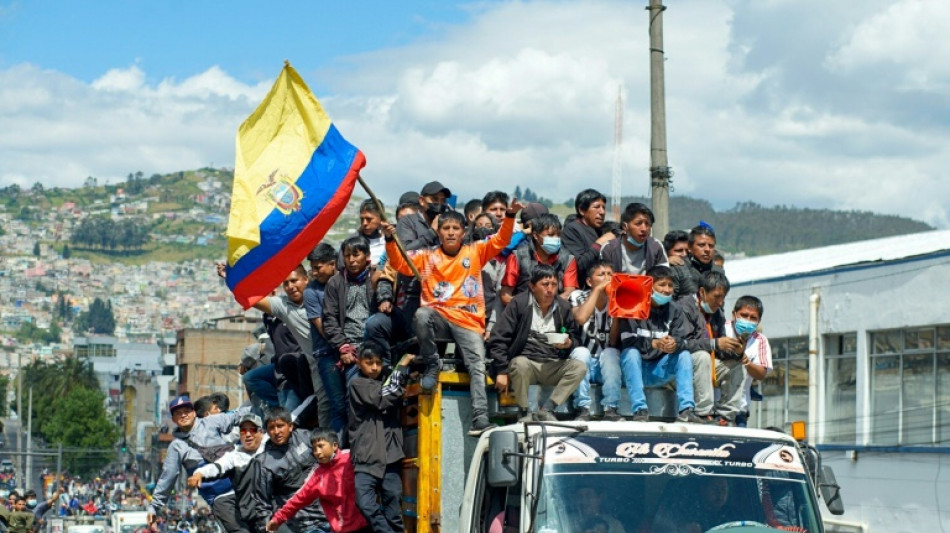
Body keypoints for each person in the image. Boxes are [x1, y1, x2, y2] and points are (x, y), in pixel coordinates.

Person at [382, 198, 525, 436]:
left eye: (455, 228)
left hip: (468, 321)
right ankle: (431, 364)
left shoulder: (476, 251)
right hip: (437, 318)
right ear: (438, 232)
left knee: (477, 366)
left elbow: (501, 240)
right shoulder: (426, 256)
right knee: (420, 315)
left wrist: (509, 215)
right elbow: (399, 263)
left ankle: (479, 418)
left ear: (464, 231)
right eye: (445, 228)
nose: (450, 233)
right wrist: (389, 239)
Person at [488, 264, 587, 422]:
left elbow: (576, 338)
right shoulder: (519, 304)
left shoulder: (563, 307)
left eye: (554, 285)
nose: (550, 289)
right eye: (545, 284)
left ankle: (548, 409)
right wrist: (501, 370)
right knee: (519, 363)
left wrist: (568, 343)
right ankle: (524, 410)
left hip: (552, 364)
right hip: (527, 366)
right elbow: (498, 337)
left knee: (579, 367)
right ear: (532, 287)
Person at [609, 266, 704, 423]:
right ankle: (640, 409)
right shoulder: (632, 305)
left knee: (684, 355)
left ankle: (686, 410)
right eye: (662, 285)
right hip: (632, 371)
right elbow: (625, 341)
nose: (667, 290)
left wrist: (674, 343)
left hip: (658, 370)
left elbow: (682, 338)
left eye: (670, 285)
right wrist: (653, 343)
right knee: (631, 353)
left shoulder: (675, 309)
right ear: (649, 286)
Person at [148, 396, 249, 533]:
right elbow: (168, 477)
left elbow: (239, 416)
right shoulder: (176, 447)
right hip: (219, 498)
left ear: (194, 412)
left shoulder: (212, 422)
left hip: (244, 487)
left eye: (186, 411)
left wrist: (264, 402)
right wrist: (154, 506)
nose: (183, 415)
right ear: (173, 419)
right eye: (178, 413)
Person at [348, 344, 413, 533]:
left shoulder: (387, 381)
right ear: (359, 363)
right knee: (365, 503)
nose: (375, 367)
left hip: (391, 457)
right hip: (366, 457)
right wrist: (403, 365)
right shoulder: (357, 384)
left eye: (378, 362)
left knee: (394, 509)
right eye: (369, 363)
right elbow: (382, 398)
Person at [265, 429, 368, 533]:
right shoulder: (316, 475)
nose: (317, 452)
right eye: (314, 449)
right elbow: (297, 499)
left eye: (321, 446)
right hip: (344, 529)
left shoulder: (351, 458)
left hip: (369, 520)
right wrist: (278, 519)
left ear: (335, 446)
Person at [679, 271, 745, 425]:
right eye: (717, 296)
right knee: (702, 356)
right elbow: (682, 343)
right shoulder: (684, 308)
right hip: (684, 366)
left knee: (737, 366)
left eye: (723, 298)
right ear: (702, 292)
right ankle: (703, 413)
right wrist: (714, 344)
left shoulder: (718, 313)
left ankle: (726, 415)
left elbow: (720, 349)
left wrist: (736, 351)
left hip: (709, 365)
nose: (720, 302)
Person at [250, 408, 329, 533]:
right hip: (306, 524)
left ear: (290, 426)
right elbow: (261, 504)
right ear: (267, 431)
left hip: (334, 513)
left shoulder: (306, 437)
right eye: (271, 428)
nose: (276, 432)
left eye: (280, 426)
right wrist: (266, 528)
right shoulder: (263, 463)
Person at [187, 414, 267, 533]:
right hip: (249, 511)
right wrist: (199, 473)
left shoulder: (270, 444)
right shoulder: (234, 456)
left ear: (261, 432)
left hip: (275, 509)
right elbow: (217, 466)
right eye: (244, 430)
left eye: (253, 430)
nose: (248, 434)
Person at [569, 261, 622, 421]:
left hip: (606, 366)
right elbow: (580, 317)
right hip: (583, 363)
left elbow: (613, 341)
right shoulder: (578, 296)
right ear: (589, 281)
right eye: (601, 274)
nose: (607, 278)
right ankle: (582, 408)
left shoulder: (619, 299)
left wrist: (618, 310)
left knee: (611, 352)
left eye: (610, 275)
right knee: (581, 352)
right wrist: (598, 290)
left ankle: (611, 408)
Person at [304, 243, 348, 436]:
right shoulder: (311, 292)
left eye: (318, 267)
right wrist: (343, 346)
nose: (314, 272)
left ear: (332, 264)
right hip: (328, 354)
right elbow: (322, 327)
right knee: (337, 404)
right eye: (312, 268)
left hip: (350, 350)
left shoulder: (346, 282)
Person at [395, 181, 452, 318]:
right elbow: (405, 252)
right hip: (414, 294)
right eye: (434, 199)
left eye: (443, 200)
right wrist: (432, 233)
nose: (439, 204)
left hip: (442, 295)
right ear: (421, 200)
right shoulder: (408, 222)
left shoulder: (448, 223)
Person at [500, 213, 579, 305]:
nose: (556, 239)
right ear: (536, 235)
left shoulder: (567, 259)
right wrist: (529, 306)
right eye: (550, 235)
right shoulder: (518, 256)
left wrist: (546, 305)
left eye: (558, 235)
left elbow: (569, 292)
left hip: (555, 311)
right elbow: (505, 295)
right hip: (523, 312)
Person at [725, 296, 773, 427]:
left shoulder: (760, 340)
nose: (747, 320)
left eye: (753, 318)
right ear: (734, 315)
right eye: (744, 315)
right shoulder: (722, 330)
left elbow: (761, 373)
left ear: (759, 321)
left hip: (739, 411)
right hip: (713, 409)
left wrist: (747, 362)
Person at [561, 188, 615, 283]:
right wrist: (599, 243)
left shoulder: (600, 230)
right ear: (582, 210)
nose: (602, 212)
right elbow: (579, 265)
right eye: (596, 207)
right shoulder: (572, 230)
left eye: (603, 207)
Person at [599, 203, 668, 275]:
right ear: (625, 226)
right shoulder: (609, 249)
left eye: (647, 224)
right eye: (638, 223)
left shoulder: (656, 246)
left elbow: (664, 278)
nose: (644, 229)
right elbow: (605, 279)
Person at [670, 224, 723, 301]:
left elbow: (719, 304)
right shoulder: (677, 269)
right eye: (701, 245)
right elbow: (671, 304)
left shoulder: (718, 272)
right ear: (690, 247)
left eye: (711, 246)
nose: (707, 249)